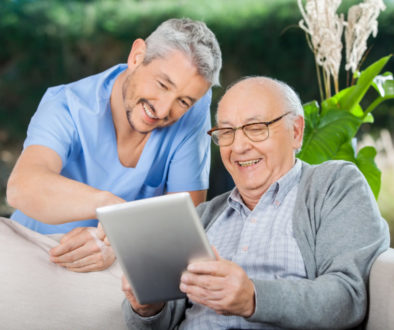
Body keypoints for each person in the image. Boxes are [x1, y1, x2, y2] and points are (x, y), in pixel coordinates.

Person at [121, 76, 389, 329]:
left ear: (295, 131)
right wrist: (149, 308)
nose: (238, 147)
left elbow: (347, 298)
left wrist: (253, 297)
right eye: (226, 132)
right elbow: (163, 321)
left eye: (256, 128)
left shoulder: (333, 185)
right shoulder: (204, 217)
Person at [6, 18, 222, 273]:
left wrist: (121, 241)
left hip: (117, 264)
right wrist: (111, 208)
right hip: (38, 252)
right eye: (162, 85)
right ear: (137, 56)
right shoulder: (66, 105)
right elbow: (22, 188)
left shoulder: (193, 107)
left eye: (183, 101)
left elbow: (185, 220)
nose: (164, 110)